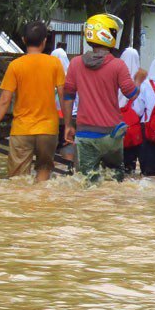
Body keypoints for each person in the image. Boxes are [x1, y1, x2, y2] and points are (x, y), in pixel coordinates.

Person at [0, 22, 66, 181]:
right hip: (48, 129)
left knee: (18, 179)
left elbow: (4, 100)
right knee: (44, 170)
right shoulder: (55, 64)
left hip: (22, 129)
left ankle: (22, 204)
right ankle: (39, 203)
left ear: (23, 40)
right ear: (44, 41)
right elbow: (63, 96)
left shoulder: (15, 66)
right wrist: (68, 123)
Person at [62, 13, 138, 184]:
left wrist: (68, 125)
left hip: (85, 134)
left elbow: (68, 96)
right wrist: (138, 81)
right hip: (111, 134)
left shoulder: (75, 63)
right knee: (115, 179)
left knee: (88, 181)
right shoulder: (118, 65)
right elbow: (131, 93)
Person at [50, 45, 75, 163]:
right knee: (68, 149)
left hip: (50, 121)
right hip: (68, 120)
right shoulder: (72, 80)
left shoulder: (47, 79)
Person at [121, 68, 147, 173]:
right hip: (135, 134)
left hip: (119, 131)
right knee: (130, 165)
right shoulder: (143, 87)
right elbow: (139, 110)